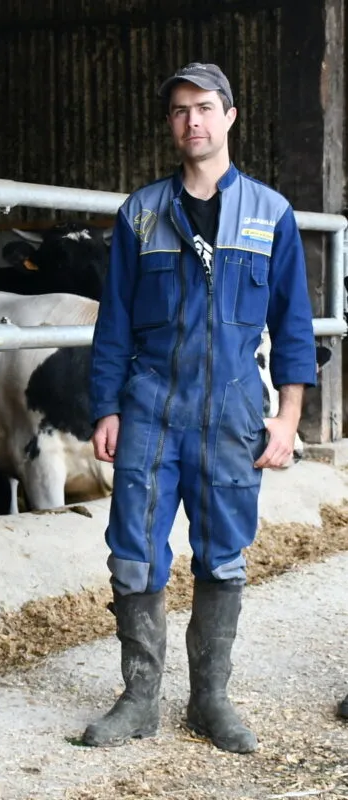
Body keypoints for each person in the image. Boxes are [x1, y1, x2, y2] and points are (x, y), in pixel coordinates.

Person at [83, 62, 317, 752]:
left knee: (223, 558)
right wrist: (107, 407)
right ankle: (139, 699)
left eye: (206, 107)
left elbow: (295, 324)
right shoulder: (141, 212)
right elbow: (114, 322)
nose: (194, 121)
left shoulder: (270, 213)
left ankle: (209, 700)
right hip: (150, 406)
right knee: (133, 557)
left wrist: (289, 417)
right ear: (171, 124)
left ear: (230, 116)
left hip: (233, 410)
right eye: (181, 110)